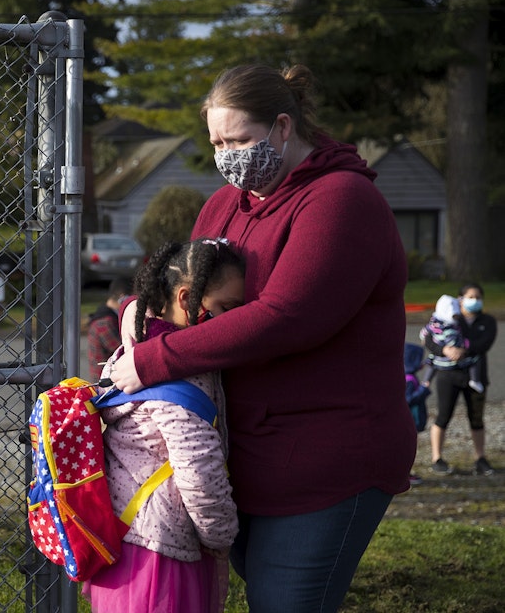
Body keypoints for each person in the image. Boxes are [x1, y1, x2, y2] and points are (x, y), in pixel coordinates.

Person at [108, 63, 416, 612]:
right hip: (248, 458)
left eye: (239, 139)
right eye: (217, 143)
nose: (227, 155)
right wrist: (138, 313)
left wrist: (157, 359)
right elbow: (186, 293)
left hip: (325, 461)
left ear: (281, 127)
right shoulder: (226, 204)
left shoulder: (341, 201)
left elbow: (288, 315)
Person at [85, 238, 243, 613]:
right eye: (227, 308)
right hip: (161, 561)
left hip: (121, 542)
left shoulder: (132, 353)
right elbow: (199, 472)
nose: (235, 322)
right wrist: (221, 536)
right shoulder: (180, 377)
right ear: (187, 300)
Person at [422, 283, 498, 476]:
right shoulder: (449, 317)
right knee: (443, 416)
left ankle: (480, 458)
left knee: (477, 418)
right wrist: (445, 350)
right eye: (470, 296)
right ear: (460, 299)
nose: (475, 300)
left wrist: (464, 350)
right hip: (448, 376)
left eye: (478, 297)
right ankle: (437, 458)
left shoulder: (488, 321)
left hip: (476, 376)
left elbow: (485, 343)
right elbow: (430, 339)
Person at [420, 294, 484, 394]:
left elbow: (425, 333)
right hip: (451, 362)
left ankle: (425, 381)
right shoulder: (454, 326)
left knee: (432, 362)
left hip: (443, 360)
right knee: (474, 361)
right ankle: (475, 380)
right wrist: (454, 349)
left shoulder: (434, 323)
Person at [87, 277, 131, 381]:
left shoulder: (107, 317)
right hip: (105, 384)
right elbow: (125, 351)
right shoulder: (104, 324)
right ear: (123, 298)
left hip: (110, 379)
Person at [404, 342, 431, 486]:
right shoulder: (409, 380)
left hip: (411, 420)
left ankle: (406, 474)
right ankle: (405, 475)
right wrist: (423, 390)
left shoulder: (408, 376)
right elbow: (408, 400)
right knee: (406, 451)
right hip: (410, 420)